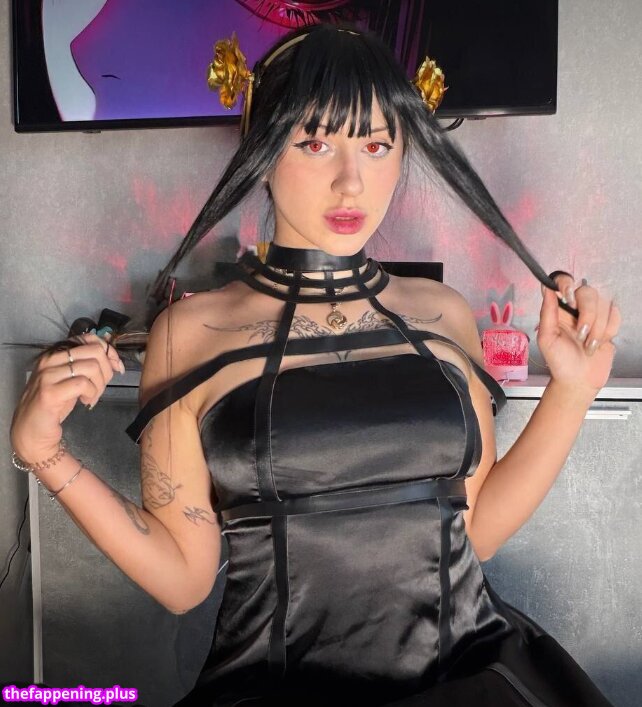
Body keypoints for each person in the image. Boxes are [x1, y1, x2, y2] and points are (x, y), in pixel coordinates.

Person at [10, 23, 621, 707]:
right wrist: (44, 453)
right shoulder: (190, 332)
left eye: (377, 145)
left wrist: (572, 390)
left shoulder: (443, 314)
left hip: (465, 675)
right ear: (262, 149)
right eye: (315, 142)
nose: (351, 180)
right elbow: (183, 577)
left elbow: (474, 530)